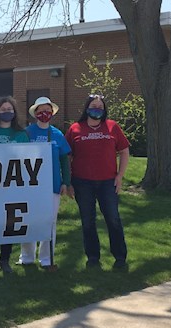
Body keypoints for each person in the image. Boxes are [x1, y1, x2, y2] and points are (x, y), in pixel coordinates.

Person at [64, 94, 130, 270]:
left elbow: (124, 151)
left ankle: (120, 257)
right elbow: (67, 156)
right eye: (93, 106)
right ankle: (93, 257)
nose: (97, 110)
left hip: (108, 182)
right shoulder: (75, 129)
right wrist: (68, 181)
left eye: (100, 107)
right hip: (82, 182)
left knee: (113, 219)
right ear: (86, 108)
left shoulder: (112, 127)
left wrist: (120, 175)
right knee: (88, 221)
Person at [17, 97, 71, 270]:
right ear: (35, 113)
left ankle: (47, 259)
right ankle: (27, 257)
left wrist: (66, 182)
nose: (44, 114)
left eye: (47, 110)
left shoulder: (57, 134)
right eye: (40, 111)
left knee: (50, 222)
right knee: (28, 220)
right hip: (30, 186)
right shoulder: (27, 132)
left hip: (52, 184)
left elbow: (65, 160)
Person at [0, 96, 29, 273]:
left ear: (15, 112)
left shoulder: (21, 134)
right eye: (2, 109)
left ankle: (5, 259)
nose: (6, 112)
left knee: (9, 223)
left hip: (12, 185)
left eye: (9, 109)